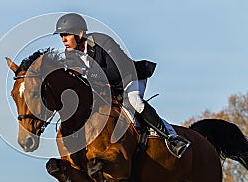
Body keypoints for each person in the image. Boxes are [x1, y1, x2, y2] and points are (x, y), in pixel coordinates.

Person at [54, 13, 190, 158]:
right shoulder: (70, 54)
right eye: (61, 36)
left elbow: (116, 72)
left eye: (66, 35)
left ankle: (172, 138)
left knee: (135, 102)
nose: (63, 39)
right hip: (107, 89)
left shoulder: (101, 41)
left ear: (79, 34)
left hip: (129, 78)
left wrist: (87, 72)